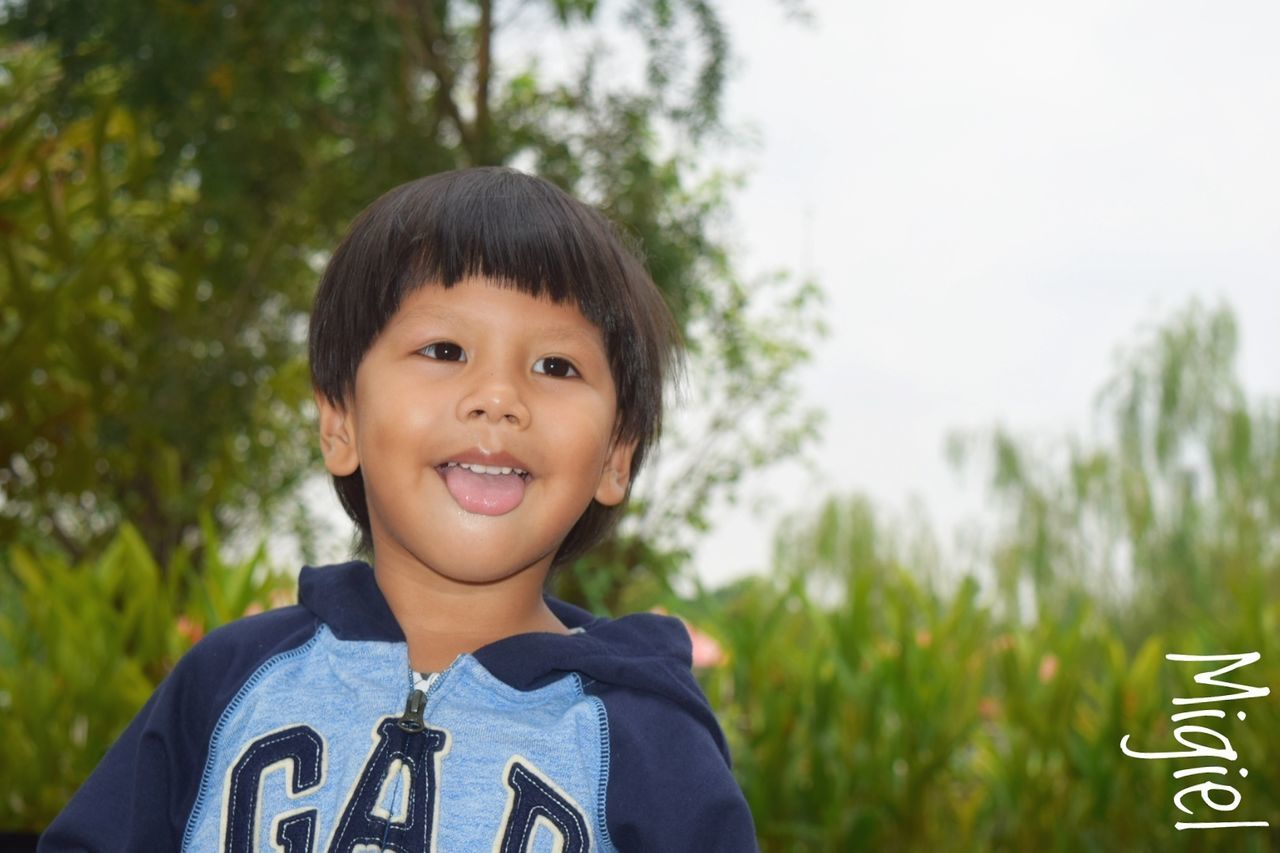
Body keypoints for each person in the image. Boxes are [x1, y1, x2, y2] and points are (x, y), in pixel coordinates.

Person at [41, 167, 757, 851]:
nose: (498, 396)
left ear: (615, 457)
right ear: (341, 421)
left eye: (555, 366)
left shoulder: (650, 743)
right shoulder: (229, 683)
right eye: (445, 348)